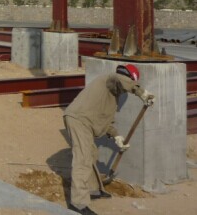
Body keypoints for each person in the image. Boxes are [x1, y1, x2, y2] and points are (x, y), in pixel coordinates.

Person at [63, 64, 154, 215]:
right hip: (79, 120)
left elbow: (106, 122)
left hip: (84, 122)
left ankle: (92, 190)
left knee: (91, 154)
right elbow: (119, 78)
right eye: (129, 83)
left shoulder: (110, 96)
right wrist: (141, 92)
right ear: (128, 79)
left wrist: (116, 136)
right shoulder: (109, 79)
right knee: (83, 160)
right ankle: (78, 204)